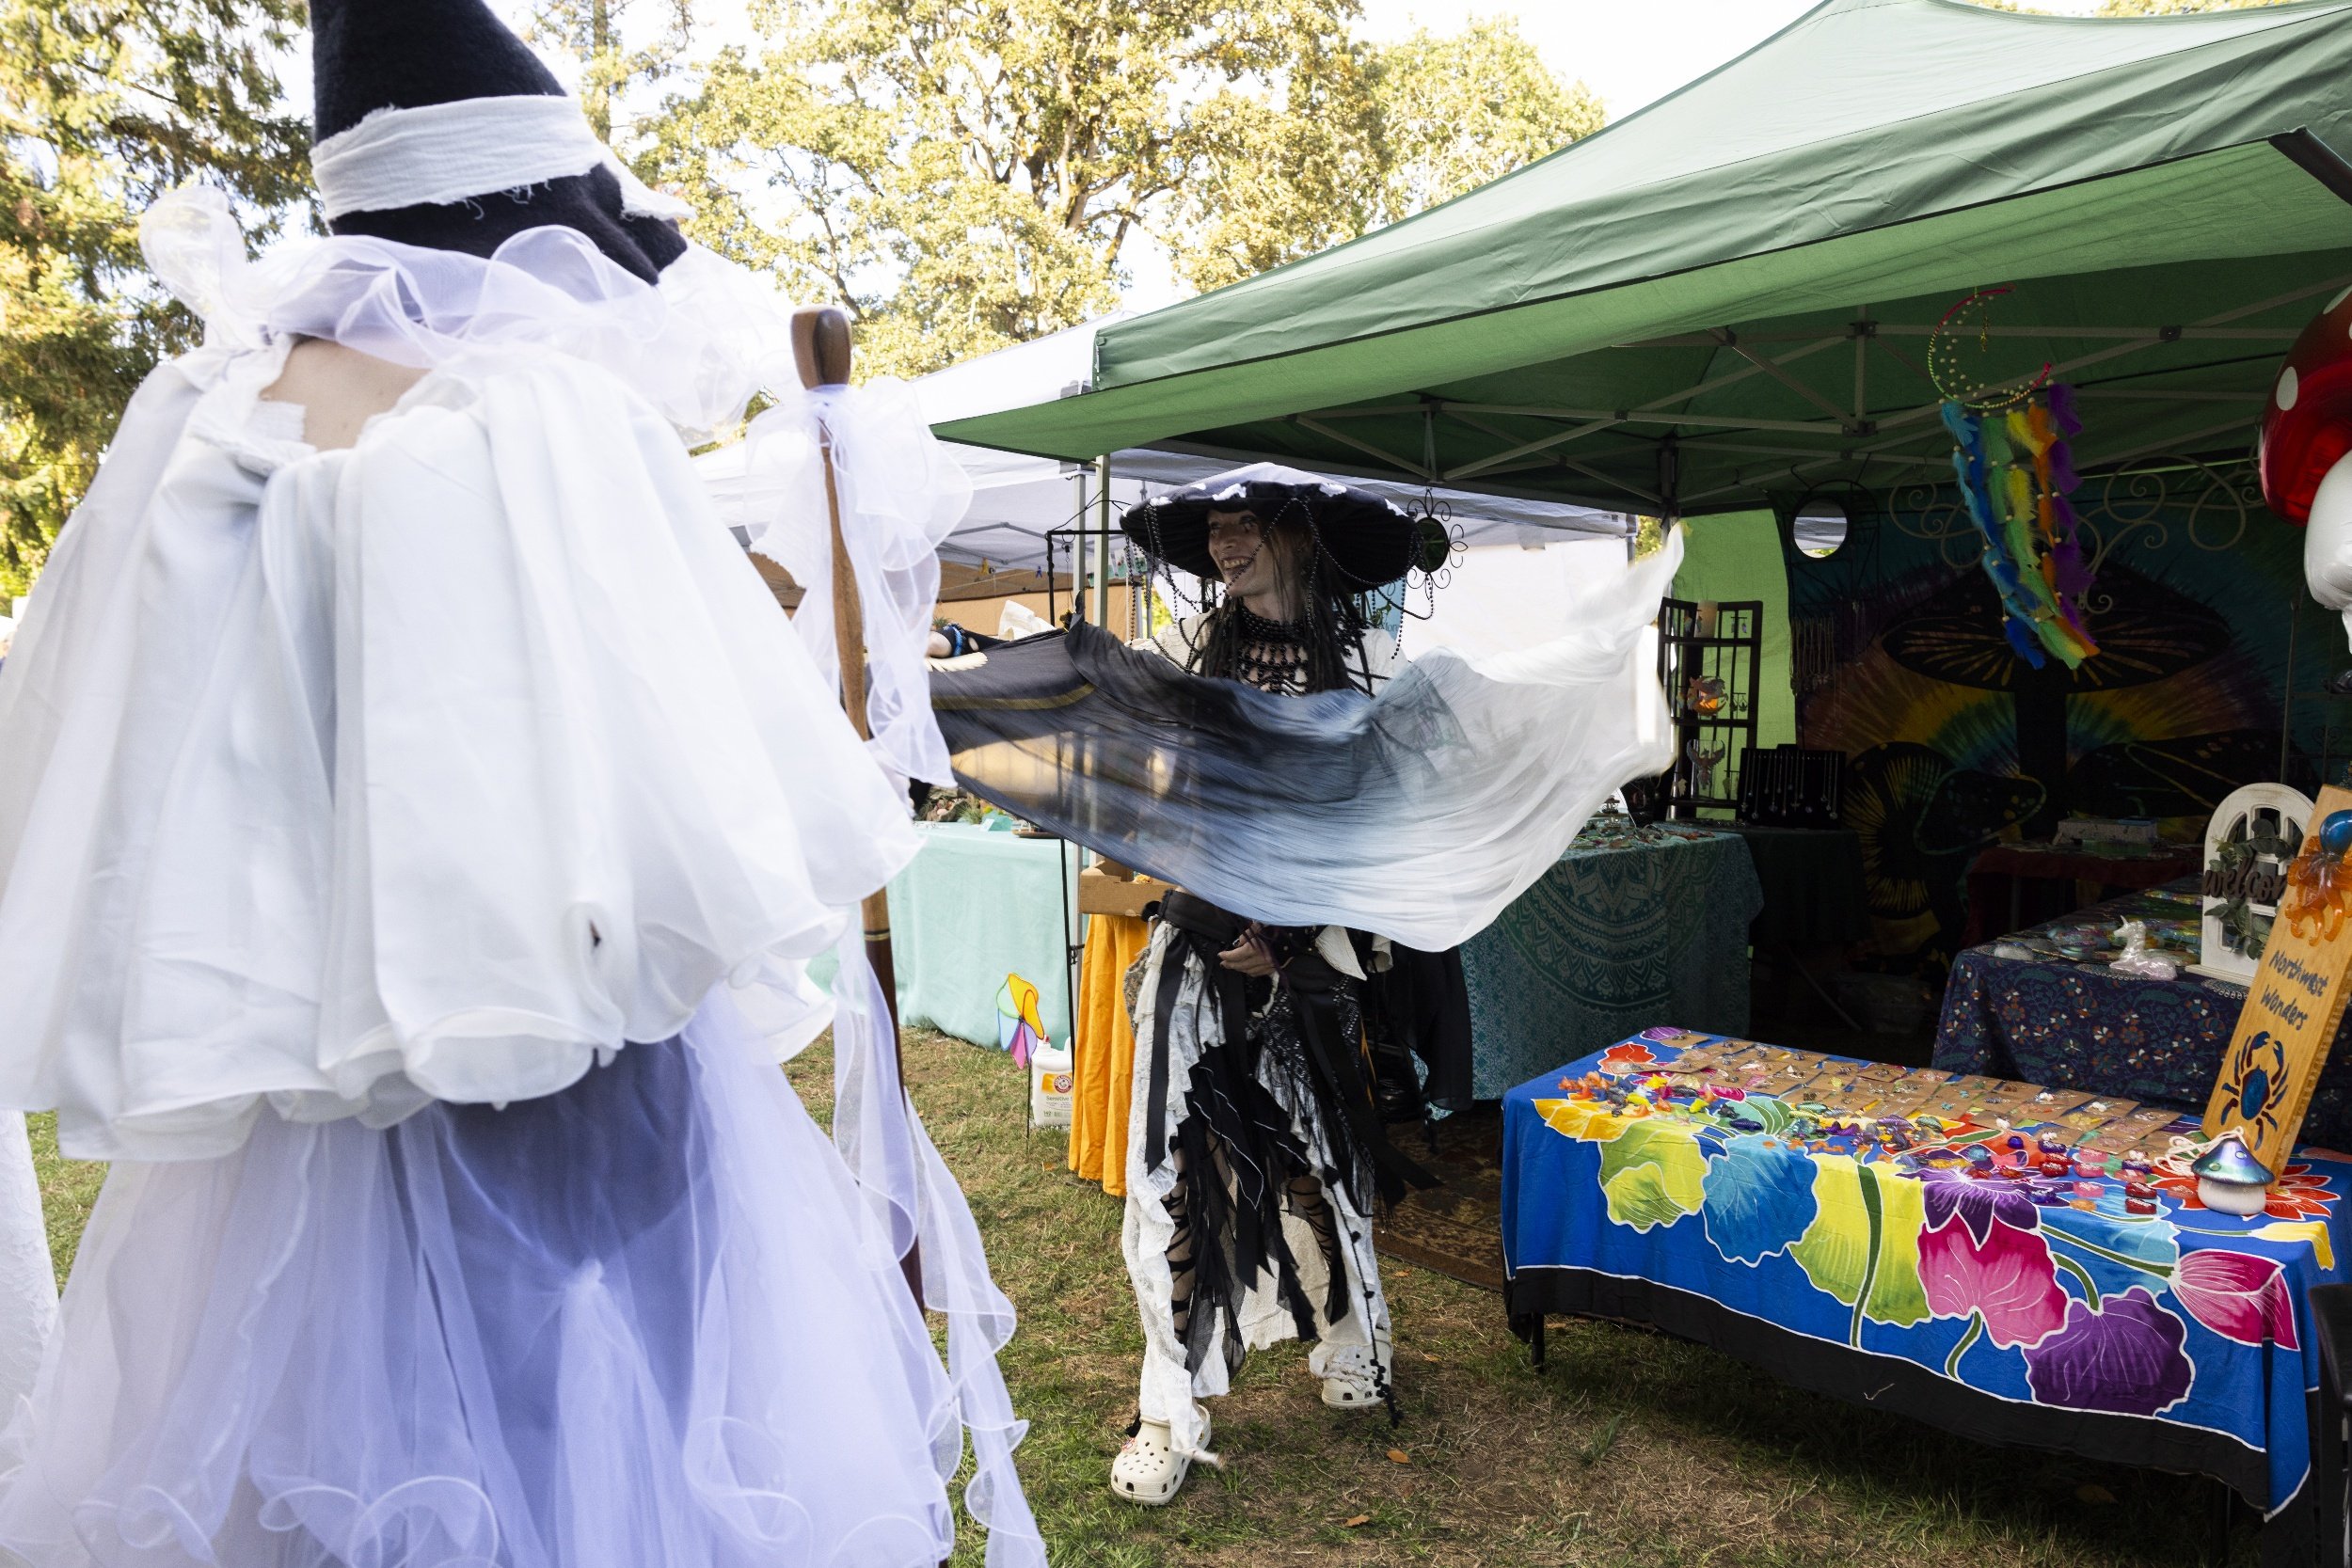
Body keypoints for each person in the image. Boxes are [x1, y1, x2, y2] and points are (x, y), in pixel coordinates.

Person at [0, 4, 1041, 1564]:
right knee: (629, 1455)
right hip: (592, 1086)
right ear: (530, 228)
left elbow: (104, 789)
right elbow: (723, 800)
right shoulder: (542, 418)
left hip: (299, 1141)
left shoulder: (193, 429)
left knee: (346, 1476)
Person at [1104, 468, 1455, 1505]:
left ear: (1298, 535)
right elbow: (1155, 777)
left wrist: (1292, 934)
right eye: (1212, 528)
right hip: (1201, 936)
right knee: (1167, 1163)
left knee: (1324, 1151)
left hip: (1311, 954)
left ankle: (1353, 1339)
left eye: (1243, 524)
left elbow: (1383, 816)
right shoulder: (1182, 652)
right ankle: (1169, 1404)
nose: (1223, 543)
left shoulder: (1373, 665)